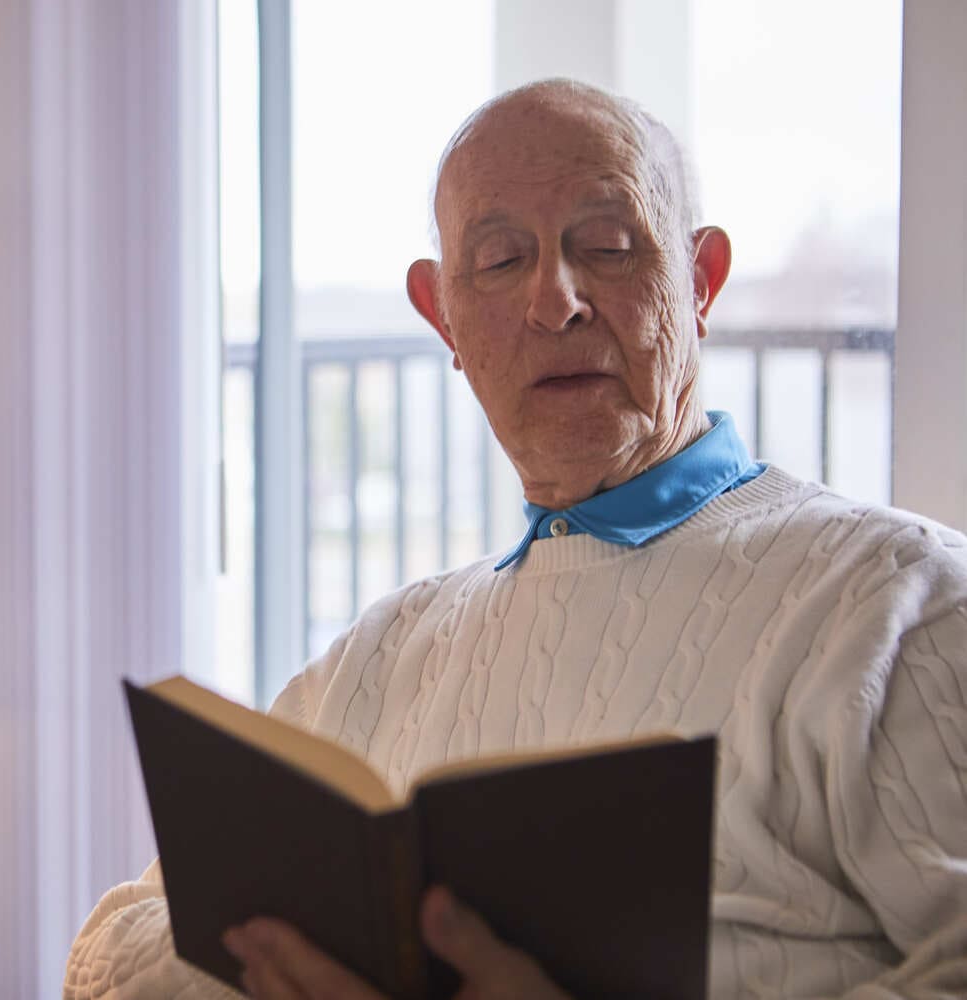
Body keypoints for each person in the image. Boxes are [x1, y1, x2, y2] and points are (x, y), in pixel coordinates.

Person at [64, 79, 967, 1000]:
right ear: (442, 316)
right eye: (499, 261)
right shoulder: (383, 652)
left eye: (608, 247)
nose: (556, 301)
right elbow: (110, 947)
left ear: (699, 283)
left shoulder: (898, 596)